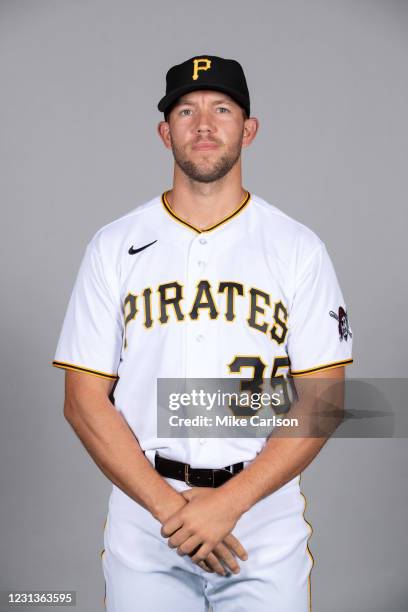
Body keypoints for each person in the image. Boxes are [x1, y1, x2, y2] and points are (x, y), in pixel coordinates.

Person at [52, 54, 353, 611]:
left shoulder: (296, 248)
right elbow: (82, 401)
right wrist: (175, 512)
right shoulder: (113, 246)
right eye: (186, 111)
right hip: (147, 515)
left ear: (249, 128)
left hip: (262, 515)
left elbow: (325, 396)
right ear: (165, 132)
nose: (205, 124)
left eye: (223, 108)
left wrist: (229, 503)